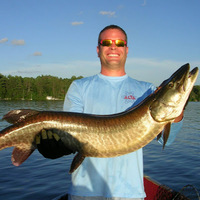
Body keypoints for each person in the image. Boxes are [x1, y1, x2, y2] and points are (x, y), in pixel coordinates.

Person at [36, 25, 183, 200]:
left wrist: (177, 108)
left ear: (126, 50)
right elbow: (70, 135)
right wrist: (58, 145)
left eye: (119, 43)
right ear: (98, 50)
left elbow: (168, 138)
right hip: (85, 192)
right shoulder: (79, 87)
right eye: (107, 42)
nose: (113, 47)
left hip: (130, 194)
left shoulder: (148, 91)